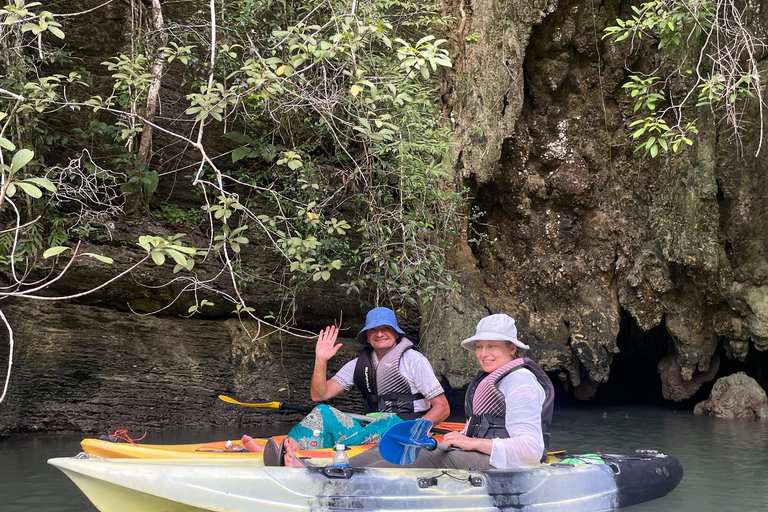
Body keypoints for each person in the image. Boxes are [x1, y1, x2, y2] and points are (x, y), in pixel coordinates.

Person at [281, 313, 554, 469]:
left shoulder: (521, 382)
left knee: (415, 454)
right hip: (482, 452)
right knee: (383, 449)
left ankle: (330, 481)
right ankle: (325, 470)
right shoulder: (490, 379)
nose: (483, 353)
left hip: (502, 464)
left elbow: (531, 449)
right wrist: (463, 436)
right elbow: (320, 395)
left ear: (512, 349)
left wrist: (470, 443)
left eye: (492, 346)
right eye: (480, 346)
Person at [260, 307, 450, 460]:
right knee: (323, 411)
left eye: (386, 328)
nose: (380, 334)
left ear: (396, 334)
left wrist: (416, 428)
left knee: (388, 420)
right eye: (373, 330)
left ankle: (329, 454)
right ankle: (285, 449)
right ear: (367, 337)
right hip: (370, 429)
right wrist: (320, 360)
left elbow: (442, 408)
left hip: (402, 429)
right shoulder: (358, 365)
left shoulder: (414, 360)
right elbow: (319, 395)